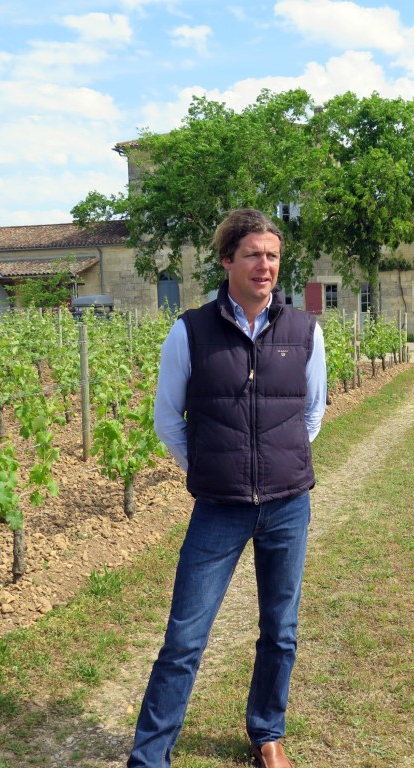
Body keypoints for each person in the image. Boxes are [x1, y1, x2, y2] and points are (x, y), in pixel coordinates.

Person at [128, 208, 327, 768]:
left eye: (272, 255)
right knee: (185, 639)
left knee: (281, 631)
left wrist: (277, 467)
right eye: (253, 255)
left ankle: (267, 733)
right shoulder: (189, 331)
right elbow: (169, 420)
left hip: (288, 505)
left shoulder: (305, 330)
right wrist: (214, 467)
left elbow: (312, 414)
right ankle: (149, 758)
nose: (264, 265)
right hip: (219, 509)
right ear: (227, 260)